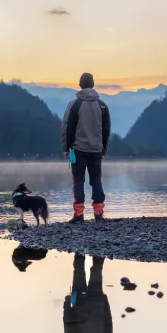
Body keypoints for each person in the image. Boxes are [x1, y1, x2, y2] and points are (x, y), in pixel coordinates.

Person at [61, 72, 111, 223]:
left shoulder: (74, 104)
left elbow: (67, 128)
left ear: (80, 84)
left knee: (78, 182)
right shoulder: (102, 105)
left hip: (77, 150)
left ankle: (78, 215)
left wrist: (66, 148)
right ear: (93, 84)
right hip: (96, 150)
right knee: (96, 181)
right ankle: (99, 214)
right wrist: (104, 149)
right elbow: (106, 130)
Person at [62, 253, 112, 333]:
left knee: (97, 271)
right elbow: (68, 325)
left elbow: (108, 323)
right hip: (79, 305)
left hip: (97, 305)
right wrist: (67, 304)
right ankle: (79, 250)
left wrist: (105, 303)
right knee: (78, 272)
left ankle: (99, 251)